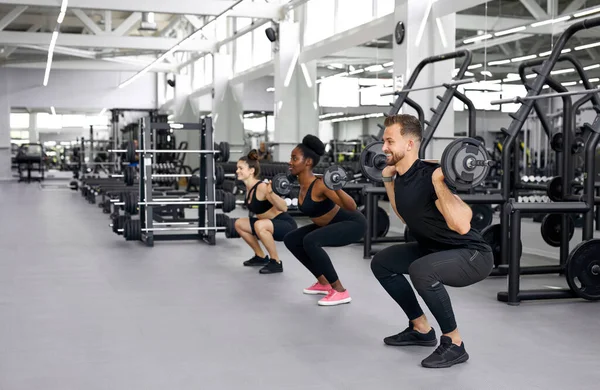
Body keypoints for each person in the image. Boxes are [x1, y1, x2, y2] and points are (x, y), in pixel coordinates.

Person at [369, 114, 494, 368]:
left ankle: (455, 343)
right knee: (382, 263)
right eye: (384, 141)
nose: (383, 148)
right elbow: (405, 215)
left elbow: (462, 224)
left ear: (409, 145)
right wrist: (387, 180)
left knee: (421, 270)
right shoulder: (402, 176)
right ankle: (421, 328)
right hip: (434, 248)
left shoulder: (431, 175)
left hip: (471, 254)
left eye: (389, 141)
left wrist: (439, 182)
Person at [283, 135, 367, 306]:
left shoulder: (320, 184)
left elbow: (351, 207)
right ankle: (324, 283)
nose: (289, 162)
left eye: (294, 158)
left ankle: (340, 291)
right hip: (331, 223)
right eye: (290, 158)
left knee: (310, 240)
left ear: (307, 162)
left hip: (353, 224)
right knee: (291, 239)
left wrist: (335, 186)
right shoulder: (302, 184)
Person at [234, 150, 297, 274]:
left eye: (241, 168)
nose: (237, 171)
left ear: (251, 171)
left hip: (285, 225)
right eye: (237, 168)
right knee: (239, 223)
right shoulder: (248, 189)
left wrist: (271, 193)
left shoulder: (262, 187)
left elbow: (284, 207)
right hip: (267, 224)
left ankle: (276, 262)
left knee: (259, 224)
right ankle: (260, 257)